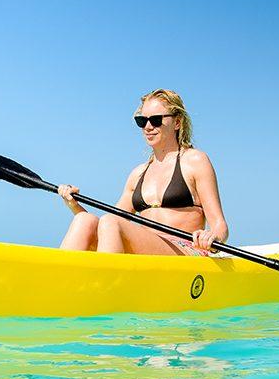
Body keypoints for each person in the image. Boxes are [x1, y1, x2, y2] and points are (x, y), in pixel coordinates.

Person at [57, 89, 228, 256]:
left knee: (111, 222)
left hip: (184, 250)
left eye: (155, 120)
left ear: (177, 123)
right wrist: (74, 204)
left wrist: (212, 237)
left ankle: (107, 282)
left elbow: (220, 226)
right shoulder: (138, 174)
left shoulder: (195, 161)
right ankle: (57, 279)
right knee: (84, 221)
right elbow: (104, 226)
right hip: (147, 251)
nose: (148, 127)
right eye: (142, 121)